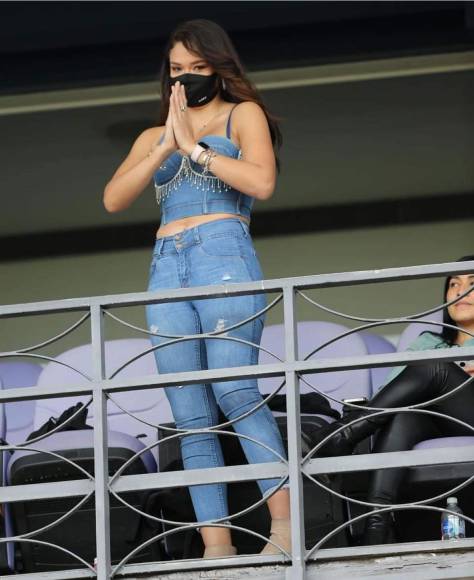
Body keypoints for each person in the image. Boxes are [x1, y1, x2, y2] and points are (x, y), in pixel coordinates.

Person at [103, 19, 290, 558]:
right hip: (166, 264)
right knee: (189, 410)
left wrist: (199, 150)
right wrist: (166, 143)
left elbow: (263, 182)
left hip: (222, 254)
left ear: (219, 68)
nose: (186, 79)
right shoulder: (151, 135)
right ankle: (217, 546)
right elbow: (113, 199)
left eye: (198, 69)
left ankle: (283, 529)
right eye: (177, 71)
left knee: (235, 391)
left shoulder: (241, 113)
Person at [314, 256, 474, 545]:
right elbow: (392, 391)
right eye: (454, 284)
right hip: (434, 418)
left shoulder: (431, 358)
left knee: (433, 366)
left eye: (472, 284)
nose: (461, 292)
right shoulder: (428, 342)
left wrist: (448, 372)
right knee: (404, 415)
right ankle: (378, 526)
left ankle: (340, 436)